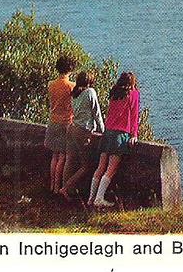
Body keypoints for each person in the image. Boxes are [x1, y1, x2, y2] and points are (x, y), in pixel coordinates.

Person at [88, 72, 140, 208]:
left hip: (107, 133)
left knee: (100, 167)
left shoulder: (114, 93)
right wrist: (134, 134)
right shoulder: (133, 94)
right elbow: (134, 116)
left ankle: (91, 198)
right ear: (132, 83)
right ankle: (99, 199)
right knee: (111, 169)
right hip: (119, 135)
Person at [59, 70, 104, 199]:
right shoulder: (90, 92)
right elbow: (97, 113)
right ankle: (66, 188)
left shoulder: (74, 94)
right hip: (83, 131)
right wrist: (103, 131)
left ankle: (67, 192)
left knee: (70, 160)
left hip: (72, 128)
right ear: (89, 82)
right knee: (86, 166)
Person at [45, 55, 77, 193]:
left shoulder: (51, 84)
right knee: (62, 156)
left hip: (52, 121)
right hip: (66, 122)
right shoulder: (72, 86)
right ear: (70, 69)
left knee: (54, 156)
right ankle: (58, 187)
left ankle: (52, 185)